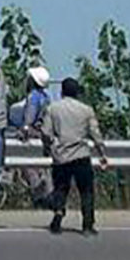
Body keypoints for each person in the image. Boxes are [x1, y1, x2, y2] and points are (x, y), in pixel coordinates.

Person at [39, 77, 108, 236]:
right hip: (81, 155)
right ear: (77, 92)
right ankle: (87, 225)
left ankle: (58, 214)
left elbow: (46, 133)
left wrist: (47, 148)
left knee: (61, 188)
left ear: (62, 91)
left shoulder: (53, 109)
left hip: (61, 156)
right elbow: (95, 134)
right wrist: (102, 154)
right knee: (86, 191)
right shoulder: (86, 110)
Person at [15, 66, 53, 208]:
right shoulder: (46, 97)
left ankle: (39, 196)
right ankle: (48, 196)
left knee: (28, 165)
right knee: (44, 168)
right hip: (44, 135)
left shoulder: (33, 97)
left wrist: (23, 130)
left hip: (33, 135)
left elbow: (29, 119)